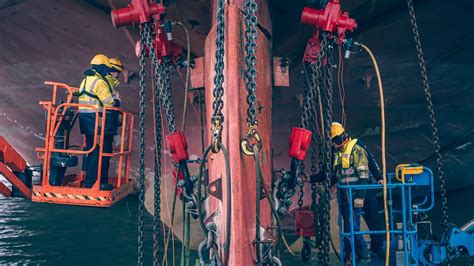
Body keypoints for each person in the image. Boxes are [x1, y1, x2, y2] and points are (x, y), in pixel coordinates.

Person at [330, 122, 371, 264]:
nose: (335, 144)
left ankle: (364, 256)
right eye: (333, 141)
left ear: (343, 136)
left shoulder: (356, 151)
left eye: (336, 140)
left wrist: (360, 197)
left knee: (353, 227)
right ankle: (349, 256)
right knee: (347, 229)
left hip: (353, 198)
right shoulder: (338, 154)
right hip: (344, 198)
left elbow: (364, 176)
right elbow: (336, 175)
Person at [78, 54, 120, 190]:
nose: (108, 71)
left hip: (87, 123)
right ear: (102, 68)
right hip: (99, 123)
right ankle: (95, 183)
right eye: (106, 68)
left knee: (93, 152)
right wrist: (117, 101)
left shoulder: (85, 81)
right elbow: (110, 103)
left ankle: (96, 182)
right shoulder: (99, 82)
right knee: (101, 153)